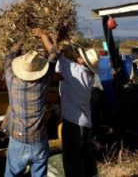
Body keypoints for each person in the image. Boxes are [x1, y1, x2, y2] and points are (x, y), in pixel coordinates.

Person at [33, 28, 99, 177]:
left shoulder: (75, 71)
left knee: (72, 162)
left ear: (83, 61)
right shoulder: (89, 76)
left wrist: (44, 35)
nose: (77, 56)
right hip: (86, 124)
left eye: (80, 56)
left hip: (73, 125)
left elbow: (53, 52)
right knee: (86, 160)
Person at [3, 36, 58, 177]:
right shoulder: (42, 84)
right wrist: (44, 36)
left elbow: (8, 57)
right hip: (39, 141)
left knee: (12, 174)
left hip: (18, 141)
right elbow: (54, 55)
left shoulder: (11, 81)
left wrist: (20, 40)